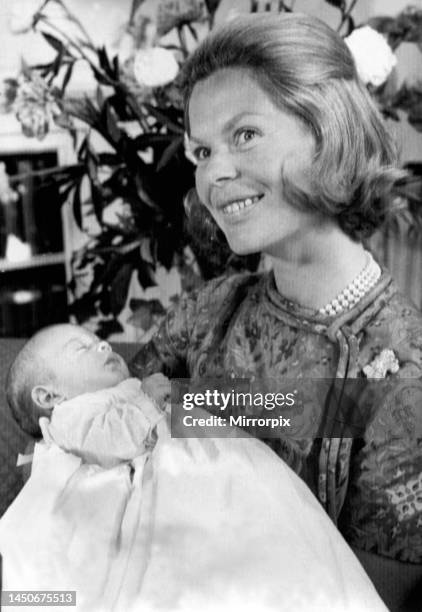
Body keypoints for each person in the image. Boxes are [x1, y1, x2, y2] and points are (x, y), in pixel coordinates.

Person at [128, 12, 422, 609]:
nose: (216, 174)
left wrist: (202, 404)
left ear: (328, 128)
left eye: (245, 135)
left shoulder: (401, 372)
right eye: (201, 150)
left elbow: (362, 598)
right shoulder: (211, 307)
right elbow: (114, 428)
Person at [1, 323, 387, 612]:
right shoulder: (70, 415)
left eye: (96, 337)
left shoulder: (133, 389)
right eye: (80, 348)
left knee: (274, 519)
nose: (101, 343)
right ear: (49, 396)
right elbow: (112, 439)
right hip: (165, 476)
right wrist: (146, 401)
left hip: (210, 449)